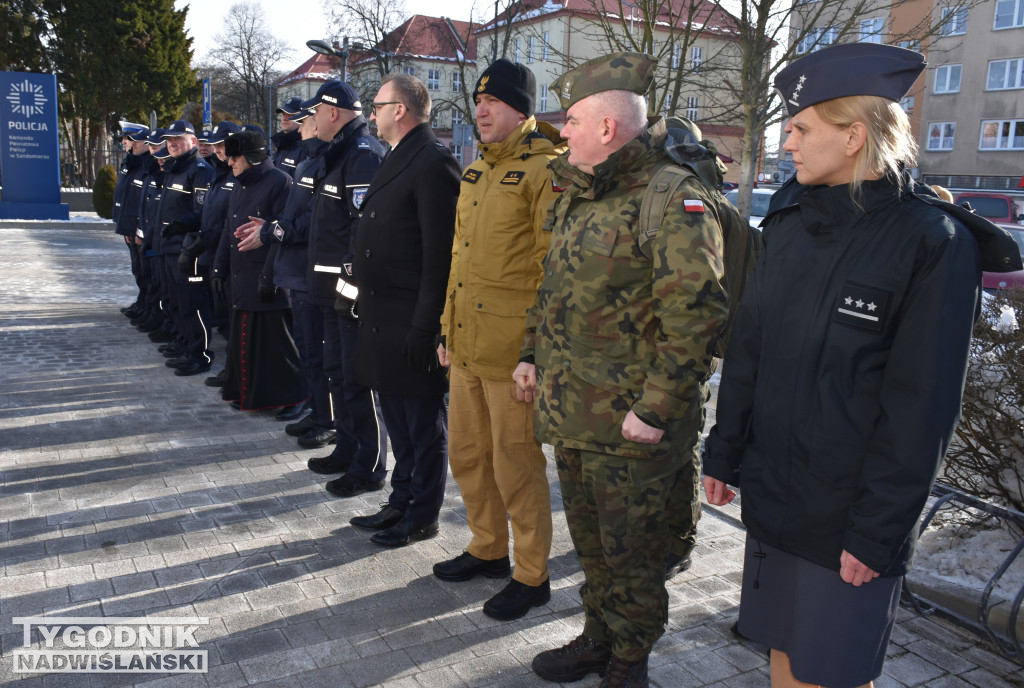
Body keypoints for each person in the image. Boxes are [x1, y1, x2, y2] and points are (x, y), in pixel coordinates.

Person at [701, 43, 992, 688]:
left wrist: (878, 530)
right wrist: (724, 450)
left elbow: (923, 405)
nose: (789, 142)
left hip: (847, 521)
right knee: (780, 651)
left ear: (854, 134)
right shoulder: (789, 220)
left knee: (829, 672)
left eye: (802, 127)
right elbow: (751, 346)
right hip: (776, 498)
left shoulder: (931, 241)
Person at [515, 53, 727, 688]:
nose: (563, 132)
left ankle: (629, 664)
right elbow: (553, 290)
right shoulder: (581, 193)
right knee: (594, 546)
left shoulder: (672, 199)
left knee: (634, 555)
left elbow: (696, 317)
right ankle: (598, 638)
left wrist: (655, 408)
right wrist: (530, 354)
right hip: (577, 413)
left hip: (634, 427)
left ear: (608, 128)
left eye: (572, 120)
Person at [433, 59, 564, 619]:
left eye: (494, 103)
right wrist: (445, 328)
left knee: (516, 464)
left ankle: (532, 574)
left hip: (512, 355)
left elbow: (551, 270)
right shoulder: (476, 172)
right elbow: (458, 261)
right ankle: (487, 548)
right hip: (465, 344)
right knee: (467, 456)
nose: (481, 111)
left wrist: (535, 353)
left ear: (522, 109)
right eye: (478, 103)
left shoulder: (545, 170)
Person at [346, 73, 460, 548]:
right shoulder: (399, 156)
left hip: (411, 321)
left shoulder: (433, 161)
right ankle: (400, 500)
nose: (371, 114)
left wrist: (426, 327)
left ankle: (421, 512)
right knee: (397, 419)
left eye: (377, 105)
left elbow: (440, 254)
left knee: (420, 425)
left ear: (401, 110)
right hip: (382, 316)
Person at [301, 79, 389, 490]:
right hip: (328, 293)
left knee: (356, 380)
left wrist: (349, 291)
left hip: (349, 297)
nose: (311, 119)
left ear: (332, 113)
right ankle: (348, 448)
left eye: (315, 112)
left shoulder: (362, 157)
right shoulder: (334, 156)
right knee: (337, 375)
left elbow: (363, 235)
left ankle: (368, 466)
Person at [234, 107, 330, 427]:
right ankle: (316, 412)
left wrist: (273, 231)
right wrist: (273, 227)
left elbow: (311, 221)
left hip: (307, 272)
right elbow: (290, 217)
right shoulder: (306, 162)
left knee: (311, 351)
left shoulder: (309, 166)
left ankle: (318, 413)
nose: (298, 127)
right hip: (293, 269)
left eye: (303, 121)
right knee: (307, 348)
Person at [214, 129, 306, 410]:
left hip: (267, 280)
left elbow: (282, 235)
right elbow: (229, 229)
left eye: (234, 156)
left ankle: (292, 398)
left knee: (276, 346)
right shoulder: (239, 183)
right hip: (242, 276)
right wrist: (219, 267)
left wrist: (269, 277)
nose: (229, 162)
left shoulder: (280, 182)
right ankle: (249, 393)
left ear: (251, 157)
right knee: (246, 343)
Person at [154, 120, 216, 376]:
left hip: (188, 250)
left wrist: (189, 247)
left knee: (193, 303)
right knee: (177, 302)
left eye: (179, 139)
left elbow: (203, 213)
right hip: (169, 248)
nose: (173, 144)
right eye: (169, 140)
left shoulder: (199, 170)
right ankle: (184, 344)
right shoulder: (174, 169)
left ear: (193, 141)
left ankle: (199, 354)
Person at [114, 125, 151, 320]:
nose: (127, 143)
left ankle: (147, 307)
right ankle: (142, 303)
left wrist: (137, 229)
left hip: (140, 229)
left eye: (131, 139)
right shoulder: (131, 162)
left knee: (145, 271)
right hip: (130, 226)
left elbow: (141, 201)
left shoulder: (147, 165)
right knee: (138, 269)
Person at [271, 96, 304, 178]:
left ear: (302, 117)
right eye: (283, 114)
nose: (284, 118)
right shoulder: (282, 144)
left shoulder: (304, 148)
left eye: (290, 114)